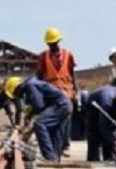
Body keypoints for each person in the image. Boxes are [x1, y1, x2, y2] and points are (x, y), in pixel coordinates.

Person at [4, 76, 72, 162]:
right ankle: (54, 159)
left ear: (17, 87)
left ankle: (49, 157)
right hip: (65, 105)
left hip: (59, 105)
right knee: (55, 131)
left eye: (15, 93)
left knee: (40, 123)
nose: (17, 96)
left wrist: (30, 117)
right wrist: (30, 115)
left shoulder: (30, 85)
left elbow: (38, 105)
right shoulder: (33, 83)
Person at [36, 27, 78, 158]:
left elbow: (72, 73)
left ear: (58, 41)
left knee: (66, 122)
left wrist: (76, 91)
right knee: (54, 123)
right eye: (50, 43)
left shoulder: (68, 54)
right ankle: (56, 149)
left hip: (67, 93)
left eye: (54, 43)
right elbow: (39, 75)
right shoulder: (43, 56)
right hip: (51, 95)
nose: (52, 45)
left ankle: (64, 146)